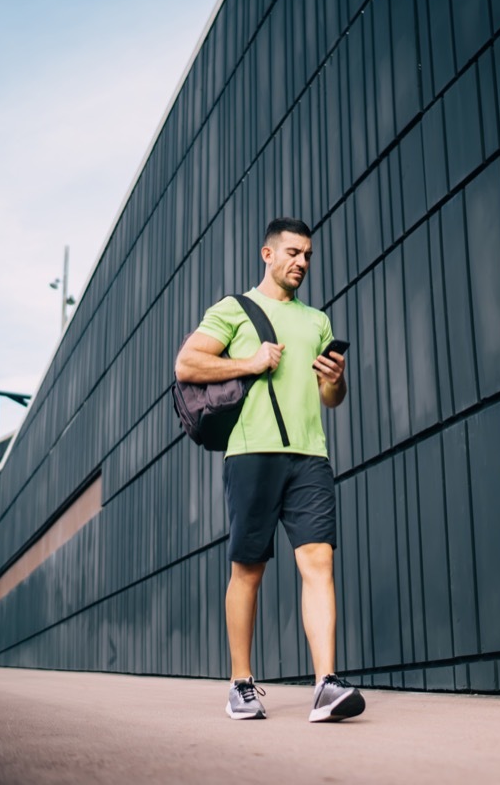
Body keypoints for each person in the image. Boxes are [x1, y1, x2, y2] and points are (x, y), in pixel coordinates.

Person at [174, 217, 364, 723]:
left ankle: (325, 684)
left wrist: (335, 379)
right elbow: (187, 365)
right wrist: (249, 362)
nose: (302, 262)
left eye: (307, 255)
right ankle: (241, 683)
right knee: (248, 569)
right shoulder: (233, 309)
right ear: (268, 255)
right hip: (251, 452)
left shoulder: (317, 321)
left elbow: (331, 399)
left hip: (310, 456)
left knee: (319, 563)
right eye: (294, 253)